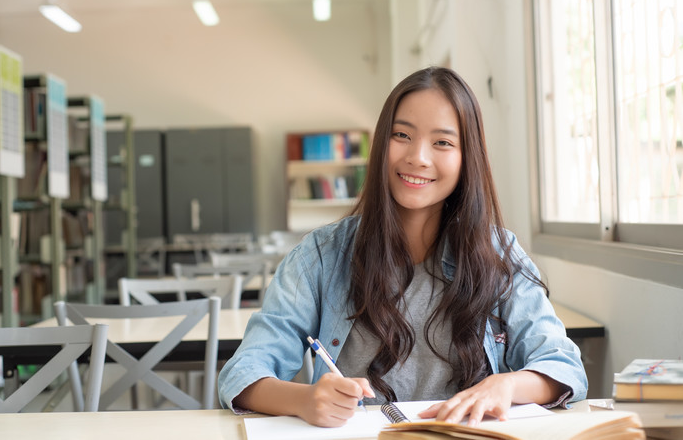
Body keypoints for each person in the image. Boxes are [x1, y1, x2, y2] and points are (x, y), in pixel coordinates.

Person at [217, 66, 587, 427]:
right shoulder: (320, 255)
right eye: (401, 135)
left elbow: (564, 367)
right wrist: (303, 399)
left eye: (442, 142)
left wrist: (506, 384)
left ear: (466, 159)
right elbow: (243, 373)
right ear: (380, 144)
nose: (418, 157)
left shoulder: (499, 255)